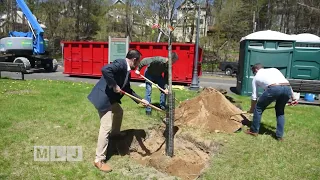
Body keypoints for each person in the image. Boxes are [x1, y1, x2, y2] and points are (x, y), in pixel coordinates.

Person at [87, 49, 149, 172]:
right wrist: (114, 85)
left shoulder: (127, 71)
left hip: (110, 99)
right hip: (103, 99)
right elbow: (105, 70)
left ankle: (115, 134)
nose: (138, 65)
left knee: (119, 112)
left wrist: (140, 100)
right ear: (134, 60)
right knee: (106, 126)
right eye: (138, 62)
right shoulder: (120, 64)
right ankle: (99, 160)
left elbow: (128, 90)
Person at [246, 63, 297, 141]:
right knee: (280, 111)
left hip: (274, 88)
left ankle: (254, 131)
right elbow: (286, 82)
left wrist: (252, 108)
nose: (254, 74)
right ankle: (279, 136)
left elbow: (254, 97)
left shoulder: (256, 77)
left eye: (254, 72)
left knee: (258, 108)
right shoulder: (274, 70)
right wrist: (294, 98)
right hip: (287, 88)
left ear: (256, 70)